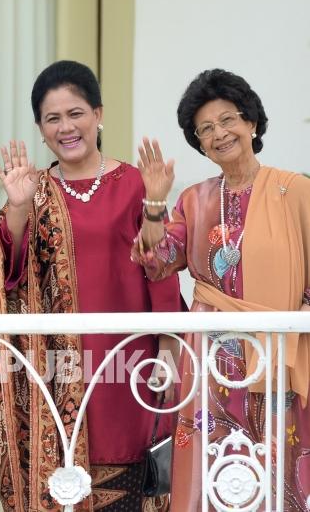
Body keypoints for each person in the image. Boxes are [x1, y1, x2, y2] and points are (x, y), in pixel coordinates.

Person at [0, 60, 184, 511]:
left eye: (76, 114)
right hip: (58, 369)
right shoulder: (34, 189)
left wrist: (168, 343)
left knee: (129, 478)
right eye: (53, 118)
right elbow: (7, 274)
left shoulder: (132, 182)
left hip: (129, 359)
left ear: (98, 114)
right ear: (39, 127)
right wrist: (17, 208)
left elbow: (161, 264)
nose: (66, 127)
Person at [133, 68, 310, 511]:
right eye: (205, 129)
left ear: (251, 122)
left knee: (279, 468)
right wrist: (155, 203)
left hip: (279, 354)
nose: (219, 134)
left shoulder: (297, 191)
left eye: (227, 120)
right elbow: (156, 261)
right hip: (211, 359)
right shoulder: (194, 200)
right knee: (214, 476)